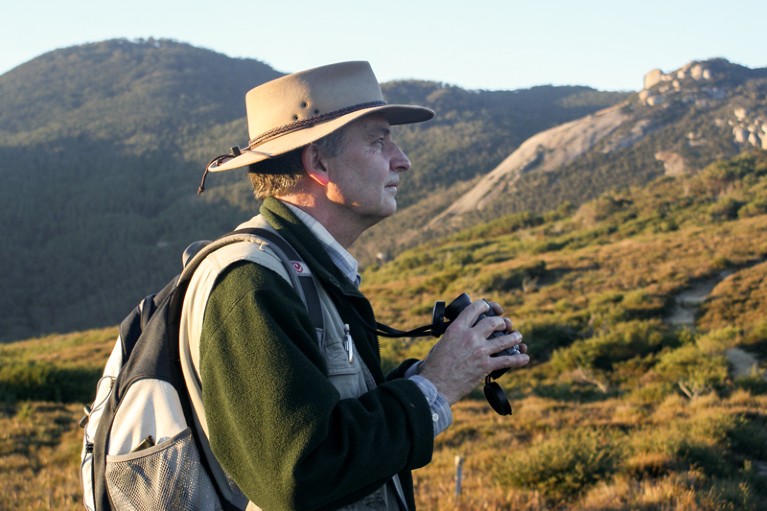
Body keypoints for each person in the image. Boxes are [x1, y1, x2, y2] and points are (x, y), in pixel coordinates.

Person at [180, 61, 530, 511]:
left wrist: (434, 371)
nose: (402, 160)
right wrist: (437, 386)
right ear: (319, 162)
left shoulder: (305, 269)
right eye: (378, 141)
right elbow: (297, 476)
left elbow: (333, 426)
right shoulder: (251, 284)